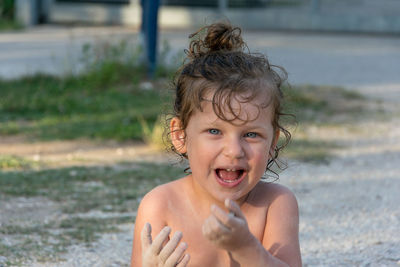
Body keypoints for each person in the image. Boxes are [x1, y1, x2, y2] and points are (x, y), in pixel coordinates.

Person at [131, 22, 301, 267]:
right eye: (214, 131)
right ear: (180, 136)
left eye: (251, 134)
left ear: (273, 143)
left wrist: (247, 248)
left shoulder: (275, 204)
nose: (234, 151)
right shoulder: (160, 206)